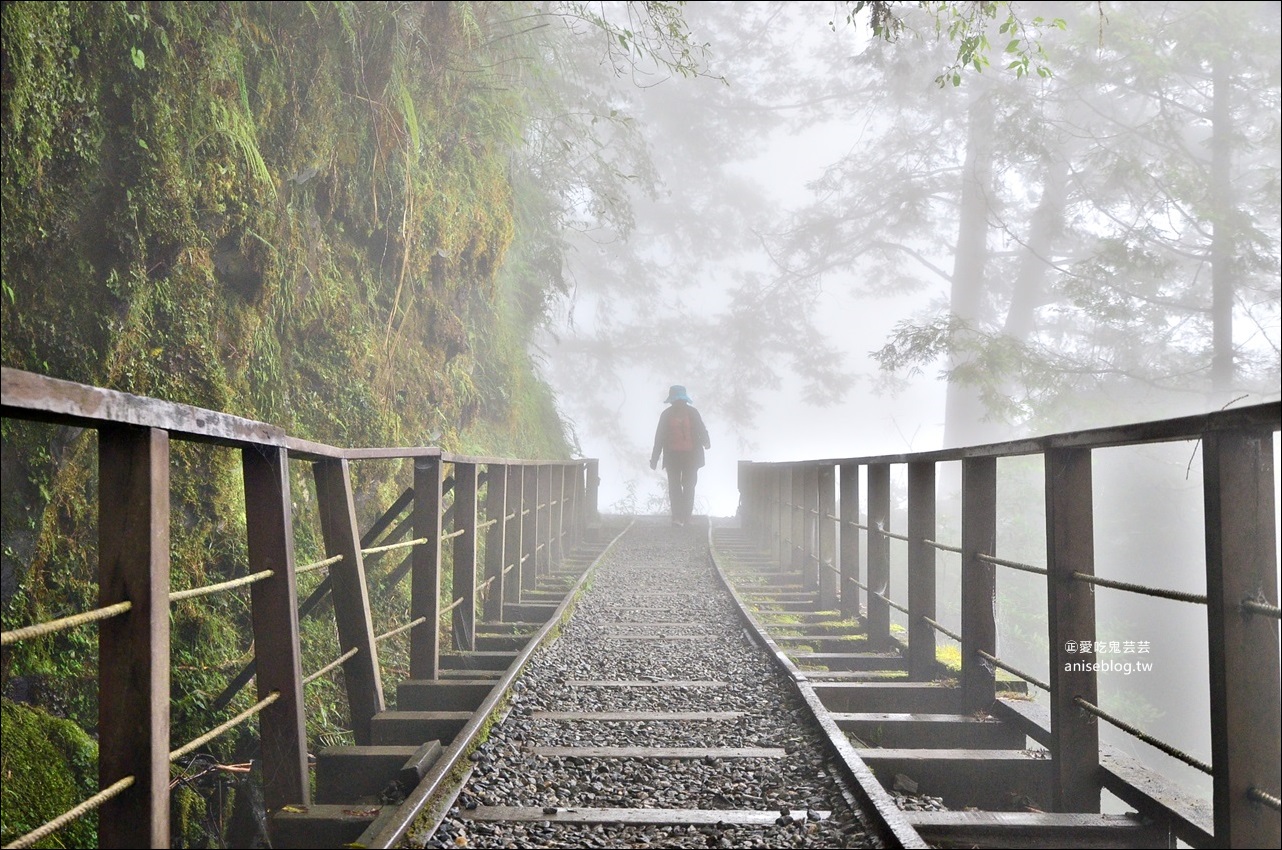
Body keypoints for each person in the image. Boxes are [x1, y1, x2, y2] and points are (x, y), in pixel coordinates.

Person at [649, 385, 711, 526]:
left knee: (688, 486)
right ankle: (678, 517)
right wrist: (654, 459)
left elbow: (701, 429)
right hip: (673, 458)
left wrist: (706, 442)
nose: (678, 404)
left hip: (691, 457)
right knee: (675, 487)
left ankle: (686, 517)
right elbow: (659, 438)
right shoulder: (666, 416)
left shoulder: (693, 413)